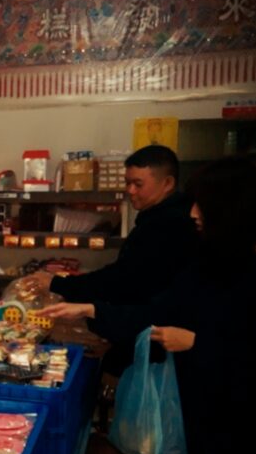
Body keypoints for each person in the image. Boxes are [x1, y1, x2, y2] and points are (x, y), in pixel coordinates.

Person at [37, 156, 256, 454]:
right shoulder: (211, 262)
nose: (193, 213)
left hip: (245, 441)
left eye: (203, 204)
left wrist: (198, 343)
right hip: (200, 423)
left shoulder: (252, 274)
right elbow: (158, 310)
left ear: (233, 209)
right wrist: (90, 309)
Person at [23, 145, 198, 375]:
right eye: (127, 183)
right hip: (142, 330)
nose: (130, 191)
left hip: (156, 344)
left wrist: (59, 285)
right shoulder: (157, 218)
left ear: (167, 183)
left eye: (138, 184)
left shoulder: (167, 226)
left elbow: (122, 281)